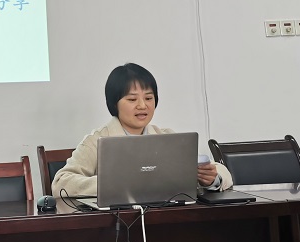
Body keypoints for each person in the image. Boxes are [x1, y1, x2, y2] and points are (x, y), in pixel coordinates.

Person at [52, 62, 233, 198]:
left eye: (148, 98)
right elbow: (61, 182)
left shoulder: (166, 136)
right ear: (114, 103)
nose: (142, 105)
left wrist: (211, 179)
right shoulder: (97, 140)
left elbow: (221, 172)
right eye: (132, 99)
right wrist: (111, 184)